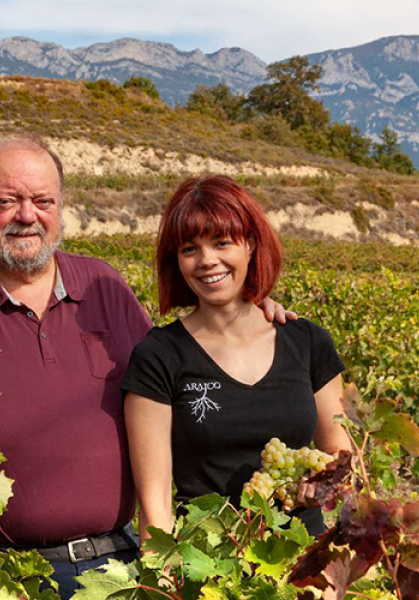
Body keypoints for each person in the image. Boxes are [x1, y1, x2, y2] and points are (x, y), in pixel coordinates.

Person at [0, 140, 294, 598]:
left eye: (43, 201)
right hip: (0, 577)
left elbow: (179, 369)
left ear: (60, 207)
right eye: (6, 201)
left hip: (121, 566)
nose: (26, 215)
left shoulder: (102, 285)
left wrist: (245, 310)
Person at [122, 176, 351, 544]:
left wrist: (322, 485)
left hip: (304, 559)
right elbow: (155, 503)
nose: (207, 261)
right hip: (209, 562)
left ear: (251, 246)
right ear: (176, 261)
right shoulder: (158, 356)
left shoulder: (307, 342)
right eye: (189, 248)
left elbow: (342, 457)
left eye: (222, 242)